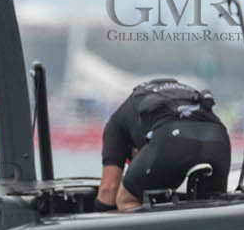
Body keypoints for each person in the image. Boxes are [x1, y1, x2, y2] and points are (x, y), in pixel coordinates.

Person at [97, 78, 229, 211]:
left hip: (172, 138)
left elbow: (108, 190)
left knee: (126, 198)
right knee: (210, 204)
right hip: (217, 137)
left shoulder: (116, 123)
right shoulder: (183, 91)